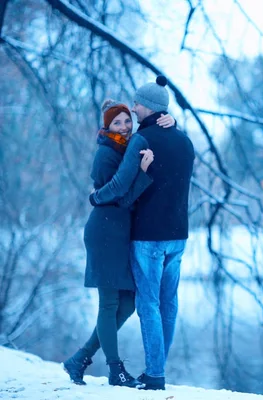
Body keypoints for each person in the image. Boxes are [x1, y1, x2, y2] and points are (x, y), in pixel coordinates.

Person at [90, 75, 195, 391]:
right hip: (179, 235)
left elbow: (121, 185)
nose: (133, 109)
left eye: (137, 104)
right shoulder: (185, 141)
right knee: (168, 303)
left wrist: (96, 197)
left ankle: (155, 375)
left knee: (148, 303)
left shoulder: (141, 140)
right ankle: (157, 371)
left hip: (148, 236)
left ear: (149, 107)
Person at [62, 100, 175, 387]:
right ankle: (115, 369)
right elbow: (119, 198)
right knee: (110, 303)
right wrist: (141, 173)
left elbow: (124, 198)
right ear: (107, 126)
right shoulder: (105, 154)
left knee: (127, 303)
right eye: (117, 123)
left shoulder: (123, 150)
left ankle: (80, 359)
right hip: (104, 233)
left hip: (118, 233)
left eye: (127, 121)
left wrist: (170, 121)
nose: (124, 127)